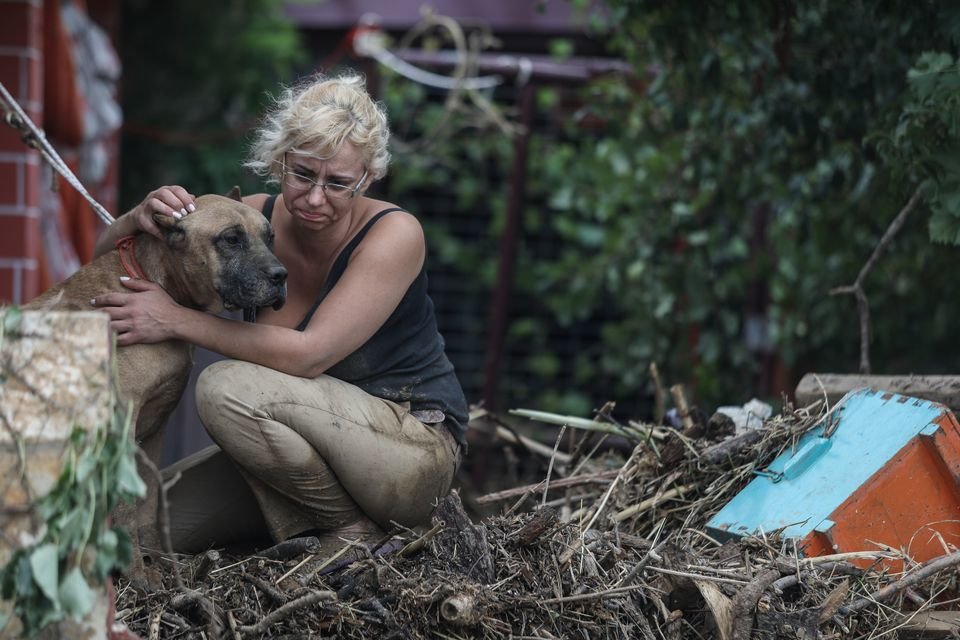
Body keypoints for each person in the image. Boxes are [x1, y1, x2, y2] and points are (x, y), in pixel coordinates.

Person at [91, 72, 468, 555]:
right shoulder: (244, 221)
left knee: (225, 387)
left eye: (337, 183)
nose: (315, 198)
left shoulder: (394, 233)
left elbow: (308, 356)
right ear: (281, 161)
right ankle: (307, 525)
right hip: (298, 449)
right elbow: (108, 267)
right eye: (303, 174)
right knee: (153, 534)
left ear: (367, 179)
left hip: (408, 452)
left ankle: (349, 531)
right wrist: (135, 219)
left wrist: (173, 319)